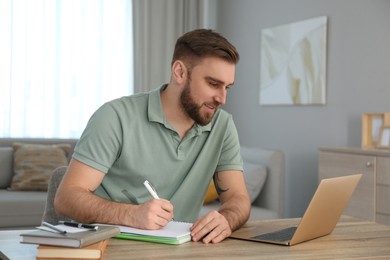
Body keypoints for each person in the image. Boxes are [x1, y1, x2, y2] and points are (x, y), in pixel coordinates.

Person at [55, 28, 251, 244]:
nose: (222, 98)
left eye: (227, 87)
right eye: (213, 84)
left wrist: (226, 219)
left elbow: (238, 199)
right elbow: (66, 198)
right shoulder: (114, 117)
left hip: (181, 251)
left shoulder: (222, 126)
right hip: (109, 247)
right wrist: (131, 215)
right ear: (179, 72)